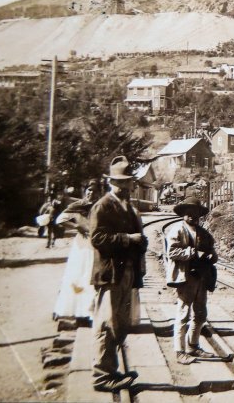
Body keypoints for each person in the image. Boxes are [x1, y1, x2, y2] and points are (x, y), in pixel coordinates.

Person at [88, 156, 147, 392]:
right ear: (111, 182)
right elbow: (97, 238)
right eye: (119, 183)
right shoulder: (102, 206)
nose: (124, 187)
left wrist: (141, 242)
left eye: (127, 183)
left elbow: (136, 237)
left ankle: (112, 370)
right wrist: (128, 239)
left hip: (126, 273)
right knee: (106, 324)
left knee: (120, 324)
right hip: (110, 274)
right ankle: (102, 376)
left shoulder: (129, 208)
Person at [165, 197, 220, 365]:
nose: (193, 216)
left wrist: (212, 256)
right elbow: (172, 253)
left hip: (201, 279)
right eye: (189, 213)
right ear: (183, 214)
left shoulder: (203, 233)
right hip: (185, 278)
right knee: (183, 314)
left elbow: (212, 251)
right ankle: (179, 351)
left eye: (196, 213)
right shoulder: (177, 230)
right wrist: (194, 253)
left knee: (200, 313)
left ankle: (193, 346)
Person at [53, 179, 100, 322]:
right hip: (81, 245)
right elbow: (59, 220)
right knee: (77, 275)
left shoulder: (100, 206)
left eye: (94, 190)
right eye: (88, 190)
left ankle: (89, 311)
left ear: (98, 193)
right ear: (85, 191)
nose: (91, 193)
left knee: (91, 276)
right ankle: (74, 310)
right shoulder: (77, 206)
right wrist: (76, 227)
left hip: (95, 244)